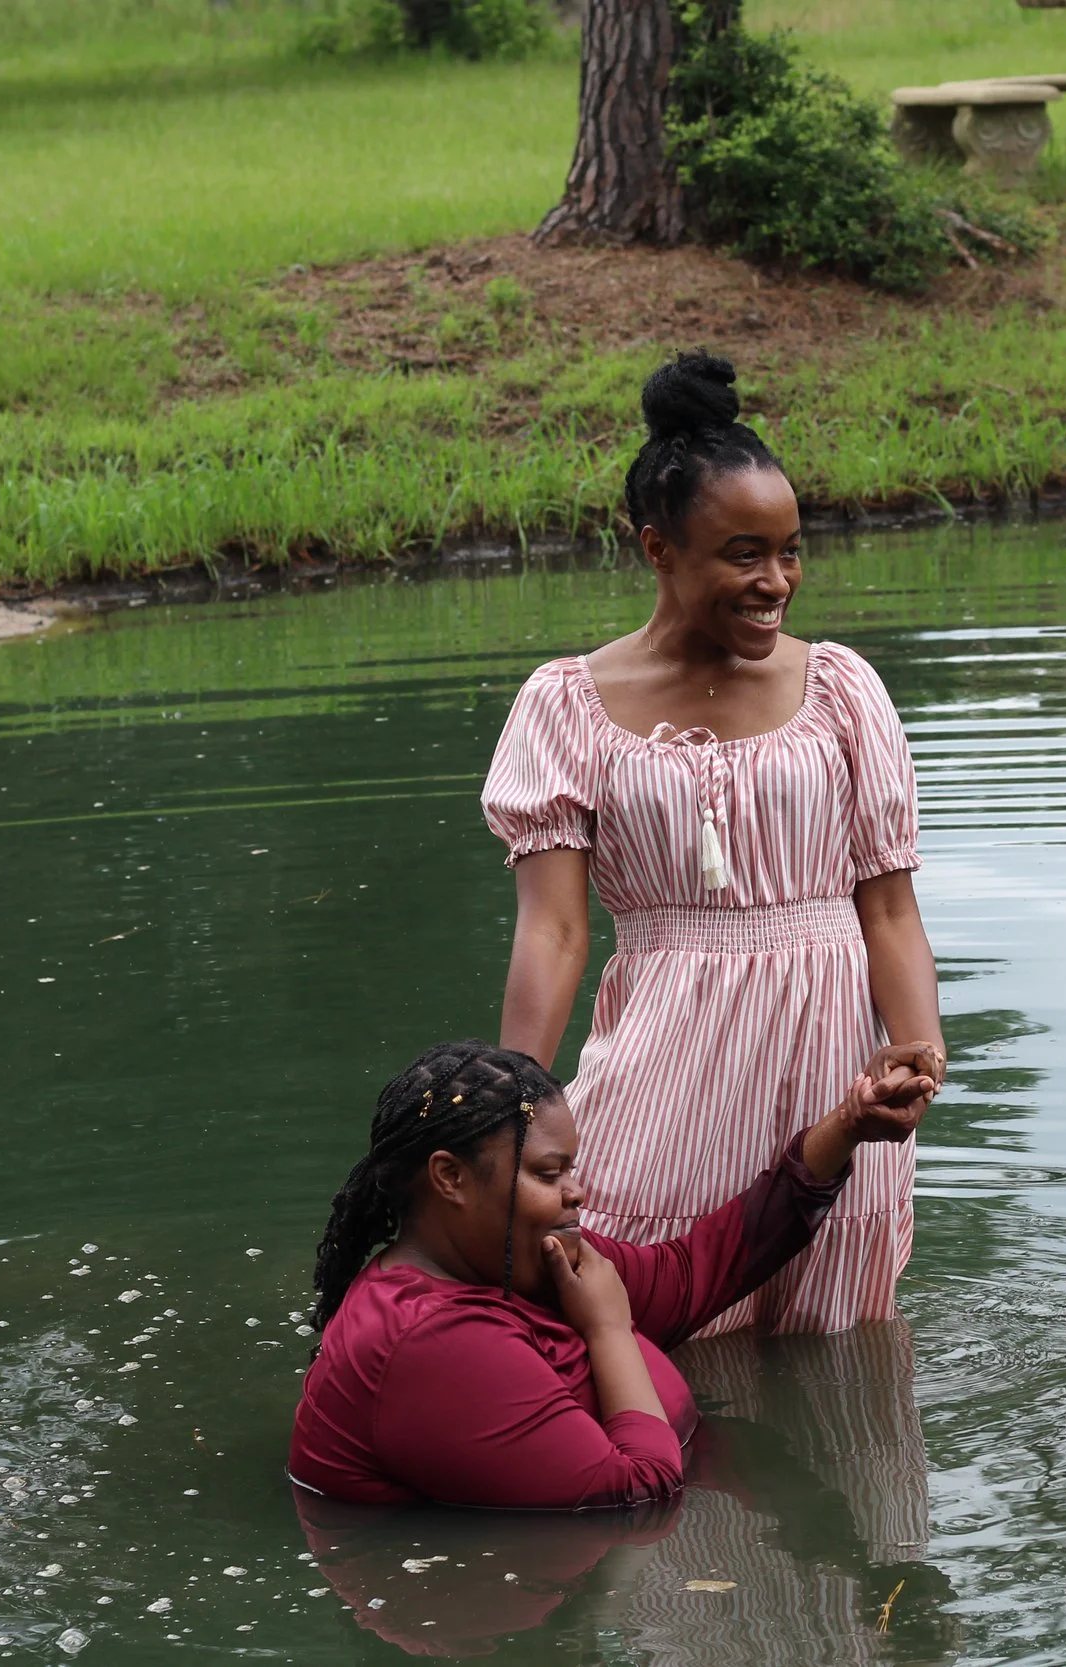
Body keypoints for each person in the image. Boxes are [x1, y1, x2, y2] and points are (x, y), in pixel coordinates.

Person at [485, 350, 944, 1335]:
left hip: (833, 1067)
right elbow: (555, 932)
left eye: (790, 549)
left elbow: (889, 904)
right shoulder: (565, 705)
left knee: (839, 1336)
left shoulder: (842, 691)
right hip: (664, 1060)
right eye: (743, 553)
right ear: (657, 549)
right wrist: (506, 1114)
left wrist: (917, 1052)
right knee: (649, 1318)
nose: (775, 581)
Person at [288, 1038, 939, 1511]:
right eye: (548, 1173)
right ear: (450, 1177)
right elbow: (639, 1493)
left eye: (570, 1169)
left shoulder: (519, 1257)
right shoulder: (429, 1339)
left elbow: (692, 1273)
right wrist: (609, 1327)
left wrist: (848, 1125)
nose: (577, 1192)